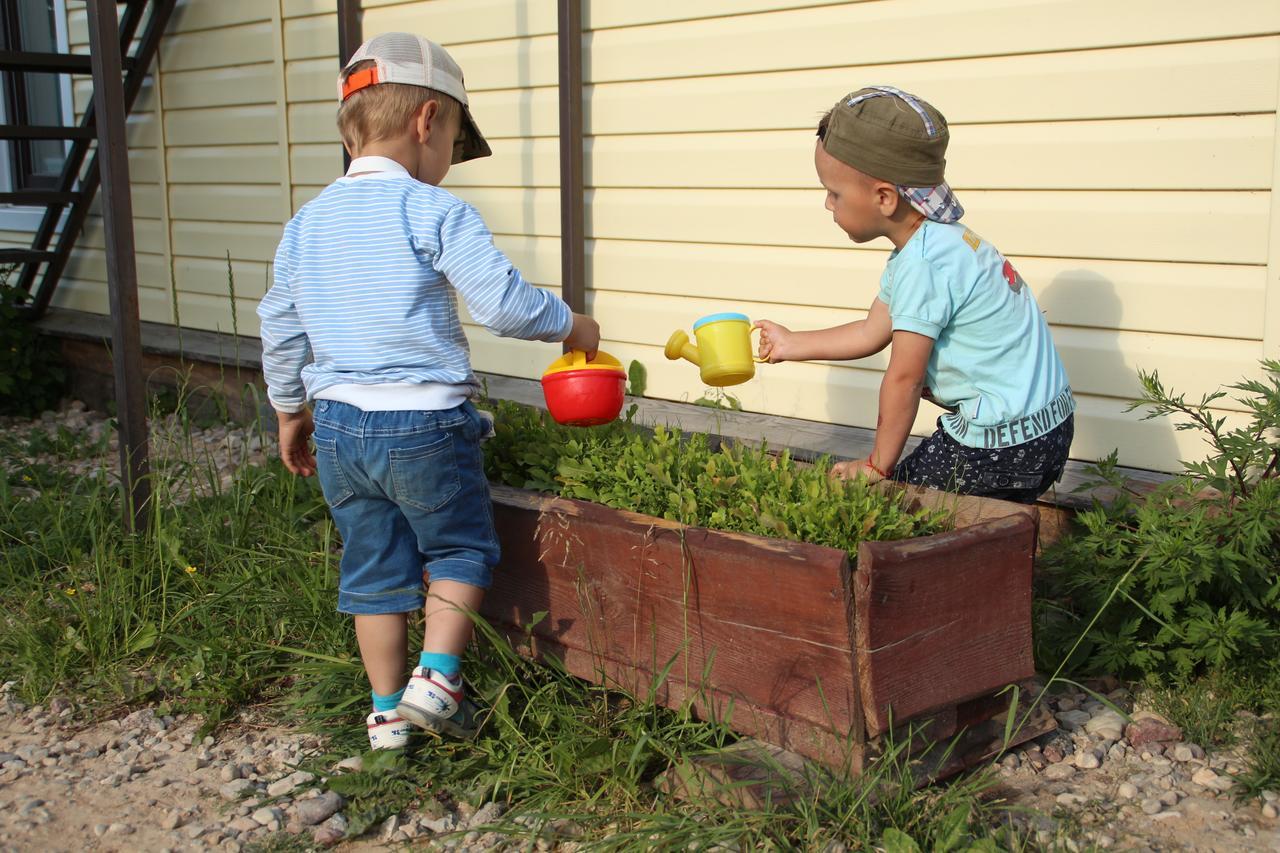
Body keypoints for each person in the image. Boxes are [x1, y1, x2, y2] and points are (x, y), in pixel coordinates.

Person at [257, 33, 600, 749]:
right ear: (427, 122)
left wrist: (291, 410)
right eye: (453, 141)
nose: (447, 162)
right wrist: (573, 324)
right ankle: (438, 677)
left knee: (374, 569)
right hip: (425, 423)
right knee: (459, 548)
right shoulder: (435, 212)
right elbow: (504, 305)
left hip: (342, 427)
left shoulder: (305, 224)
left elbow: (281, 325)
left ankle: (385, 717)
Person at [755, 86, 1072, 504]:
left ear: (884, 198)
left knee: (894, 504)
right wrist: (792, 343)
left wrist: (876, 465)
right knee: (971, 526)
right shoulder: (939, 243)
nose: (827, 204)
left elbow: (905, 378)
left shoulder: (925, 264)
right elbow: (873, 330)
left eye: (834, 192)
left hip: (1002, 446)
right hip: (1048, 429)